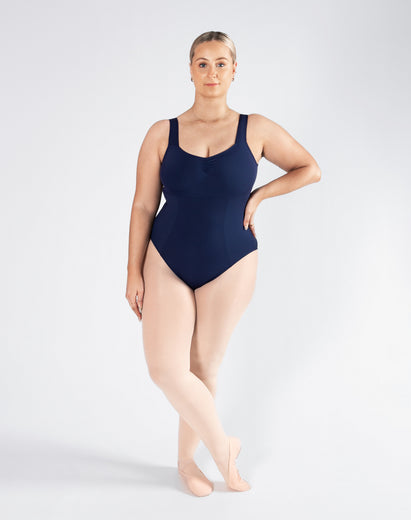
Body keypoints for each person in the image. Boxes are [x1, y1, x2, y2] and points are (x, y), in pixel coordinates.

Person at [125, 30, 321, 497]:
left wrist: (261, 195)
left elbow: (309, 168)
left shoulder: (256, 129)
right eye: (202, 63)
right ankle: (224, 448)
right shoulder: (162, 133)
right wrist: (132, 270)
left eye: (220, 63)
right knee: (165, 368)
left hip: (231, 260)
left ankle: (186, 462)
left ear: (234, 71)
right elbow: (143, 205)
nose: (211, 72)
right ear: (190, 71)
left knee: (203, 365)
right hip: (166, 257)